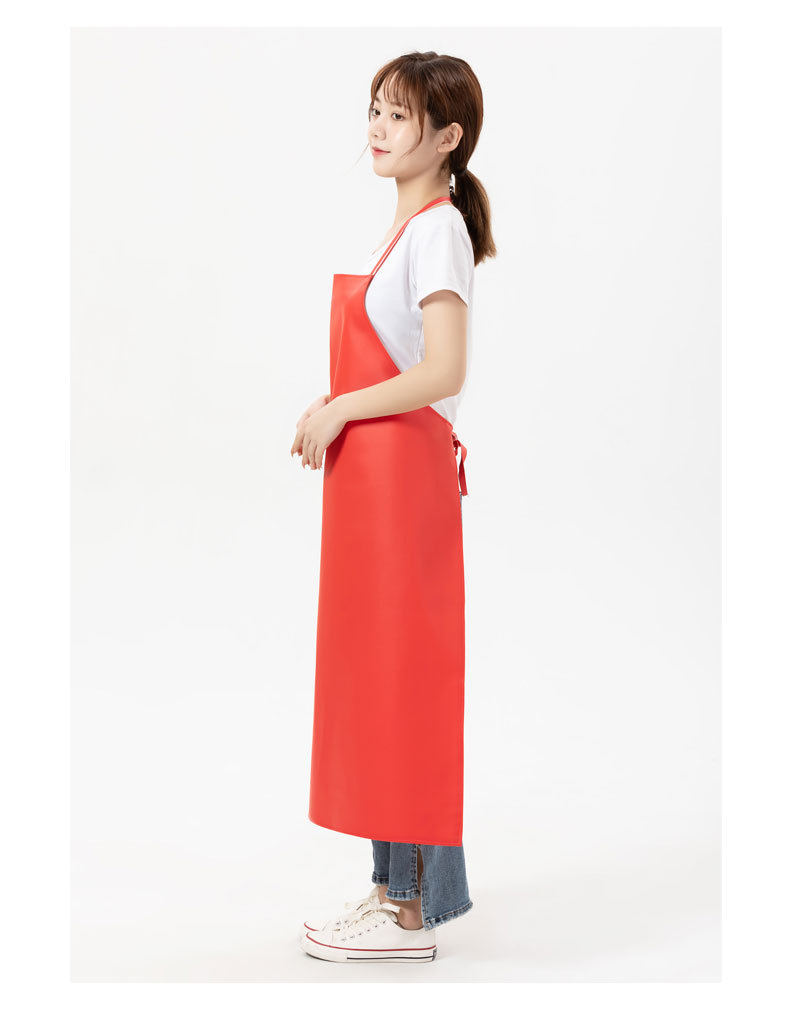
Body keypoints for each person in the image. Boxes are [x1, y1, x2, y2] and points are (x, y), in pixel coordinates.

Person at [290, 50, 496, 964]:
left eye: (399, 114)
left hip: (402, 491)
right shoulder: (407, 229)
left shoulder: (438, 231)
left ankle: (408, 909)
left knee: (404, 683)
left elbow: (444, 370)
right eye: (375, 108)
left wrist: (343, 408)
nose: (377, 126)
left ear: (446, 137)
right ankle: (397, 889)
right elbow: (402, 359)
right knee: (379, 681)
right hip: (376, 491)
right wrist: (332, 404)